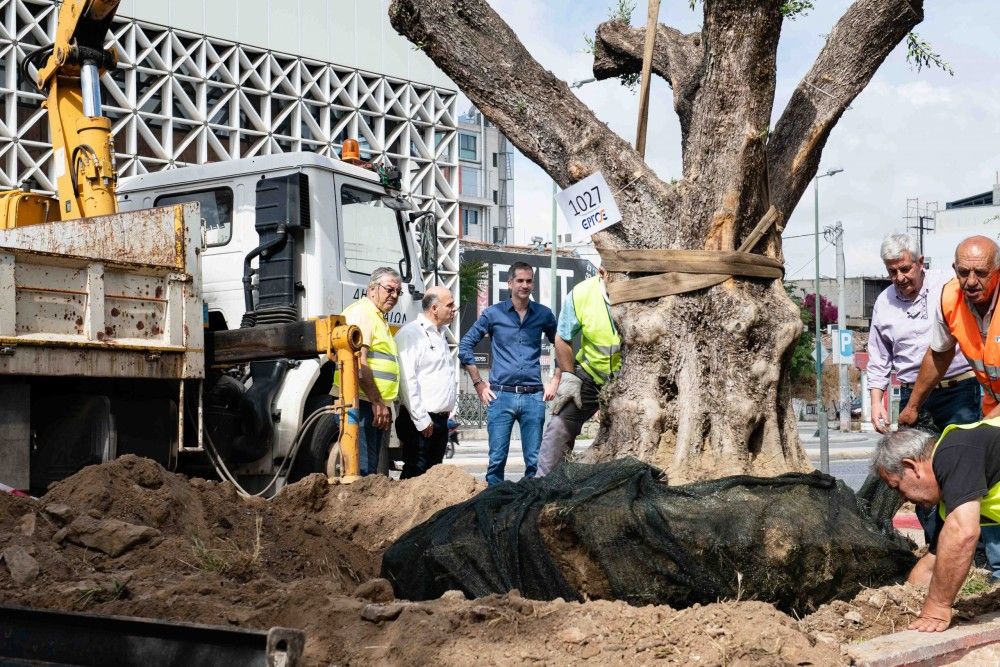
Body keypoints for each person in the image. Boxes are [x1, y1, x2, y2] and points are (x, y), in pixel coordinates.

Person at [873, 420, 1000, 632]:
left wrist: (937, 606)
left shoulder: (954, 451)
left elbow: (963, 534)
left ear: (912, 466)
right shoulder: (950, 494)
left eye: (897, 487)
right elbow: (934, 561)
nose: (903, 499)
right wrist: (906, 601)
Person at [868, 233, 979, 435]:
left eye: (905, 269)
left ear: (920, 262)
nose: (899, 278)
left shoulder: (949, 284)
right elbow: (878, 358)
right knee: (912, 463)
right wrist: (876, 403)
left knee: (959, 459)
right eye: (892, 272)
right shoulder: (883, 302)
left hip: (958, 391)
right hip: (910, 396)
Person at [459, 261, 556, 485]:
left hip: (534, 396)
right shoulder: (493, 314)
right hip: (500, 397)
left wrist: (555, 380)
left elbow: (561, 343)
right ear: (509, 282)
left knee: (535, 462)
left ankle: (530, 511)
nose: (525, 285)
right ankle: (494, 510)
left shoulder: (543, 314)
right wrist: (478, 384)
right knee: (496, 462)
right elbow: (465, 346)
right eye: (520, 280)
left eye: (529, 281)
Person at [900, 236, 1000, 427]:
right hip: (992, 407)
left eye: (980, 273)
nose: (971, 281)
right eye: (963, 272)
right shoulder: (949, 298)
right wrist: (912, 407)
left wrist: (983, 428)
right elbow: (940, 354)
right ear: (954, 269)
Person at [537, 268, 619, 476]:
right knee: (559, 426)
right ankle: (543, 482)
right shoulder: (581, 294)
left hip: (629, 378)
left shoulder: (639, 291)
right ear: (602, 272)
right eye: (615, 273)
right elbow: (562, 337)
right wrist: (569, 377)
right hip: (591, 376)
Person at [337, 267, 401, 476]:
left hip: (369, 403)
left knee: (370, 469)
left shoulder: (377, 316)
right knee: (362, 471)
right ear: (372, 289)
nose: (394, 296)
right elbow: (359, 364)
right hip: (361, 404)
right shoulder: (363, 313)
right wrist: (377, 402)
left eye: (398, 292)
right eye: (390, 289)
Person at [394, 286, 457, 478]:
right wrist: (421, 419)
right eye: (450, 304)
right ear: (434, 308)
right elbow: (407, 378)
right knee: (416, 473)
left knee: (432, 478)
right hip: (420, 421)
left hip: (440, 421)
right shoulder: (411, 333)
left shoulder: (441, 334)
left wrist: (451, 413)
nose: (454, 308)